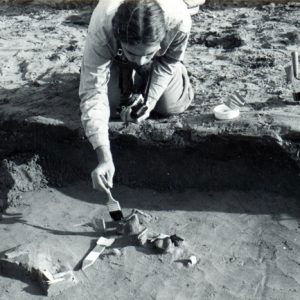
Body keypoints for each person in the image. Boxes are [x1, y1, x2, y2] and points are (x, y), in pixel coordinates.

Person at [79, 0, 194, 192]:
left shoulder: (179, 22)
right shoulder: (102, 28)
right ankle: (121, 68)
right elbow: (92, 92)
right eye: (133, 53)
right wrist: (104, 157)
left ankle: (143, 72)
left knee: (169, 106)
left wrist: (148, 104)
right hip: (115, 56)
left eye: (148, 54)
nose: (141, 61)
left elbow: (168, 62)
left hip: (161, 61)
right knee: (111, 105)